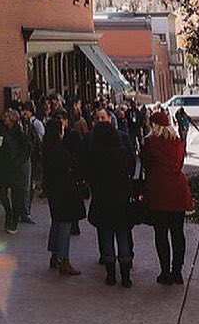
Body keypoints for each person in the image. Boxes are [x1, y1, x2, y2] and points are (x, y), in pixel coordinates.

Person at [142, 109, 193, 286]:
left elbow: (145, 164)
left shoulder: (150, 142)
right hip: (178, 191)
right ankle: (177, 271)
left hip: (158, 192)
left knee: (161, 234)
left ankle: (165, 272)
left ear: (153, 125)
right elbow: (180, 163)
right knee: (178, 233)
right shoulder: (177, 141)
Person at [86, 120, 133, 288]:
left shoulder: (95, 155)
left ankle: (111, 275)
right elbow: (129, 171)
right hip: (121, 201)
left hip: (102, 201)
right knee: (122, 237)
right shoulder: (121, 153)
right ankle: (126, 277)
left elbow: (91, 177)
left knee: (106, 237)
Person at [42, 116, 85, 276]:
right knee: (65, 225)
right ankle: (64, 259)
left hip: (54, 192)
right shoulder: (58, 150)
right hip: (64, 192)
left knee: (57, 223)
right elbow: (71, 165)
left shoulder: (48, 147)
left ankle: (55, 255)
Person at [0, 109, 32, 234]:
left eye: (6, 117)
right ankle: (8, 213)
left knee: (16, 196)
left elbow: (27, 148)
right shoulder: (0, 129)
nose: (4, 118)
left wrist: (19, 162)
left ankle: (14, 220)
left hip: (15, 169)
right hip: (3, 167)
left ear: (12, 119)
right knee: (3, 194)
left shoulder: (19, 133)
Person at [20, 101, 44, 220]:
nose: (24, 113)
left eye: (26, 111)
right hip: (29, 157)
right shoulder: (23, 124)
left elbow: (41, 139)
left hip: (33, 157)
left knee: (30, 183)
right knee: (27, 184)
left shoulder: (36, 124)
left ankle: (27, 207)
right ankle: (25, 208)